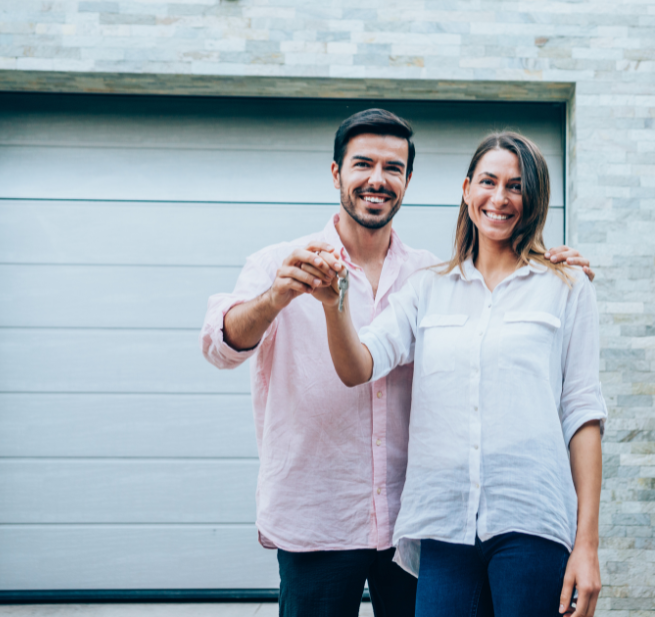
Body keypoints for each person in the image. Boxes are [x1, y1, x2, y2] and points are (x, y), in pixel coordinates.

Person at [200, 111, 595, 617]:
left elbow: (575, 401)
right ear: (336, 172)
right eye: (363, 163)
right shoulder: (284, 262)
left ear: (408, 180)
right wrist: (278, 297)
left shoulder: (429, 275)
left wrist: (551, 272)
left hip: (415, 526)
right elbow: (220, 345)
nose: (377, 179)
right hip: (322, 519)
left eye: (393, 167)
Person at [314, 131, 606, 617]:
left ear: (534, 198)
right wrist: (333, 304)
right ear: (467, 189)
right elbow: (357, 365)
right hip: (444, 526)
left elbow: (583, 414)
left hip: (531, 520)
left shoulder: (567, 287)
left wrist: (587, 545)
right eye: (488, 181)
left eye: (516, 186)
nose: (500, 197)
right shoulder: (427, 288)